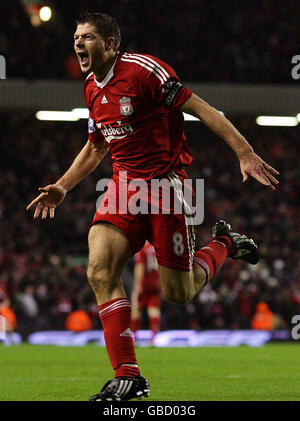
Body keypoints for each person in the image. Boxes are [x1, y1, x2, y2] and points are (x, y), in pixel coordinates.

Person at [26, 12, 279, 401]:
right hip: (123, 187)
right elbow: (97, 146)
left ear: (110, 44)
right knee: (98, 269)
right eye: (77, 37)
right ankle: (128, 375)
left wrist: (244, 153)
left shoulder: (145, 72)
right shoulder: (91, 87)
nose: (78, 43)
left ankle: (225, 243)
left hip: (167, 186)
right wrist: (63, 185)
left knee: (179, 292)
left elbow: (202, 108)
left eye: (88, 37)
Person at [131, 242, 161, 345]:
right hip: (156, 283)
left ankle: (134, 338)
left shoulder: (142, 249)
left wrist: (137, 285)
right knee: (154, 310)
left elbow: (140, 266)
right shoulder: (157, 248)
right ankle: (153, 339)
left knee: (136, 309)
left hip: (144, 283)